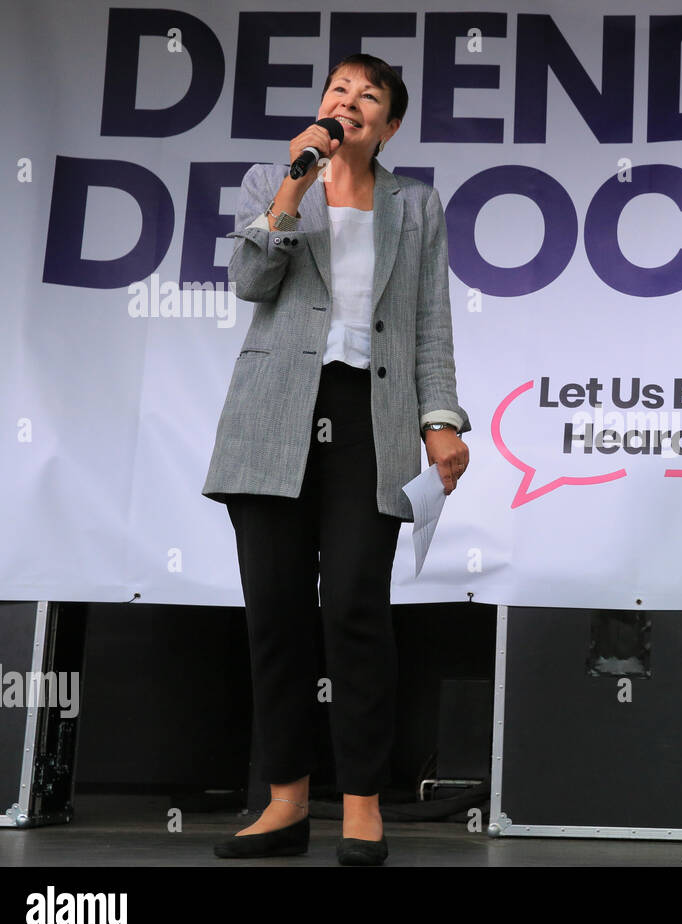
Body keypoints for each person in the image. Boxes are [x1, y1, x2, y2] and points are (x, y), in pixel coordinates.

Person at [200, 53, 470, 866]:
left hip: (370, 415)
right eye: (338, 92)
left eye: (368, 97)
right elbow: (249, 278)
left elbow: (430, 323)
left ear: (389, 125)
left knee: (354, 607)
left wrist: (441, 419)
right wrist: (296, 182)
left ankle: (360, 804)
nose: (348, 103)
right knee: (275, 614)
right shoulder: (271, 179)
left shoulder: (416, 205)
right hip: (275, 411)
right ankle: (283, 803)